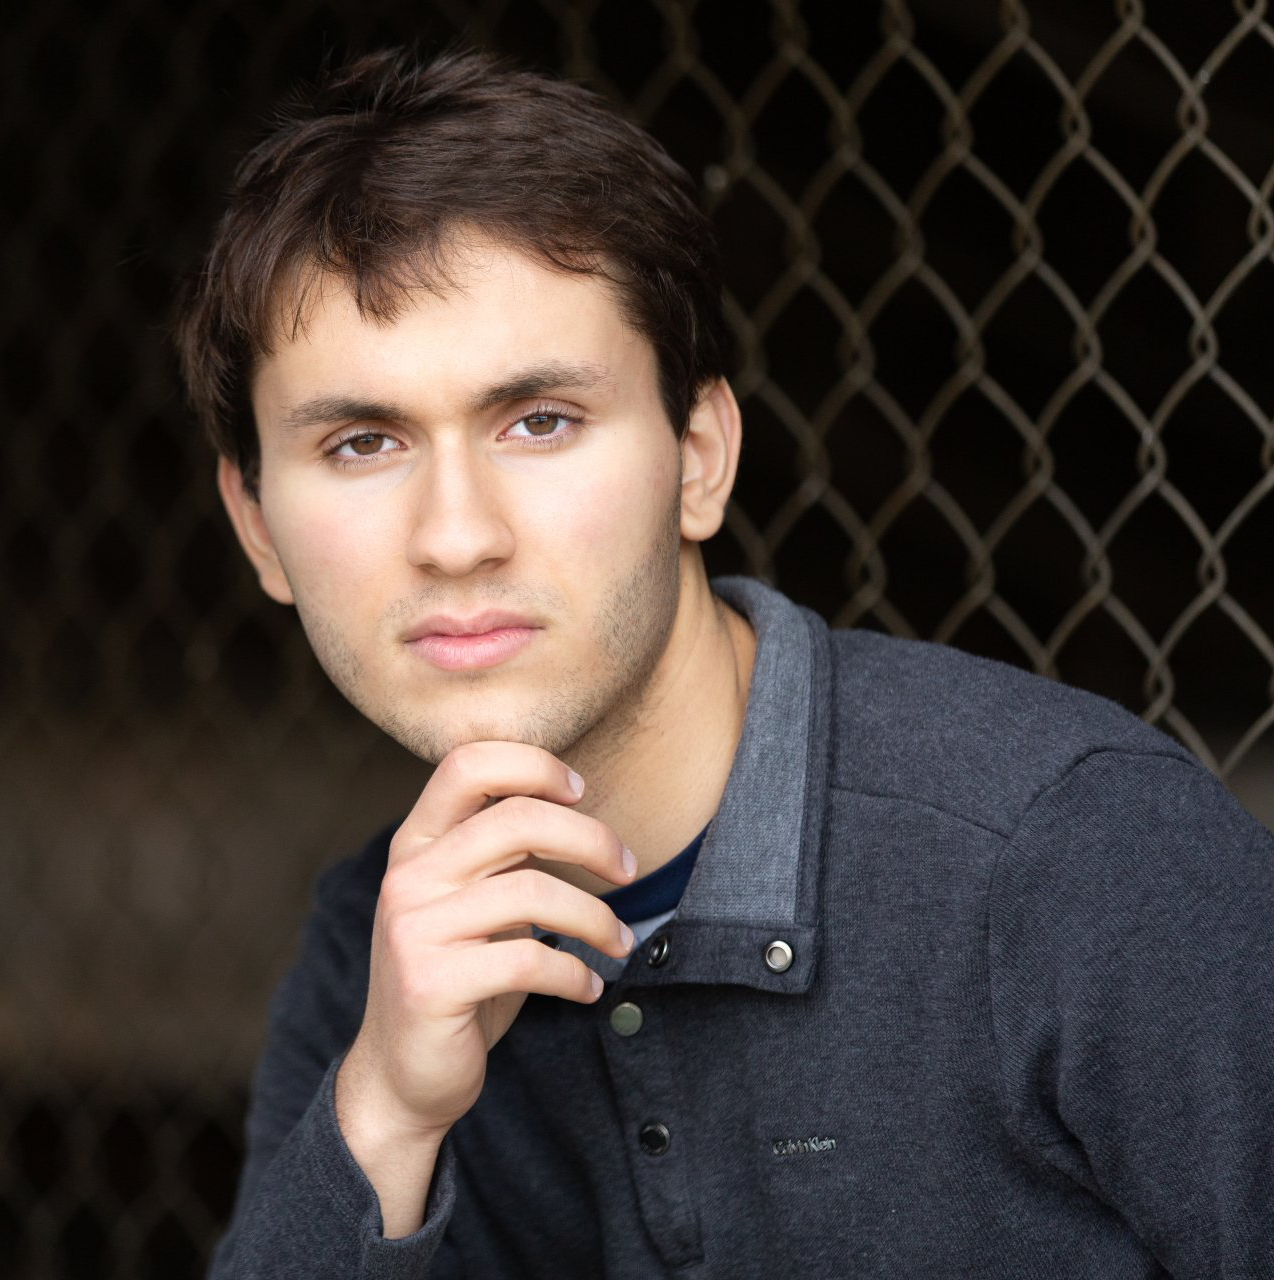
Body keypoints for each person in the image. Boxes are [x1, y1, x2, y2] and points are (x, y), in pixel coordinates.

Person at [176, 46, 1274, 1280]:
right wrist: (380, 1113)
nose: (455, 534)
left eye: (538, 421)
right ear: (258, 524)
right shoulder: (377, 946)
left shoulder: (1074, 856)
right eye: (363, 441)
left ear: (697, 455)